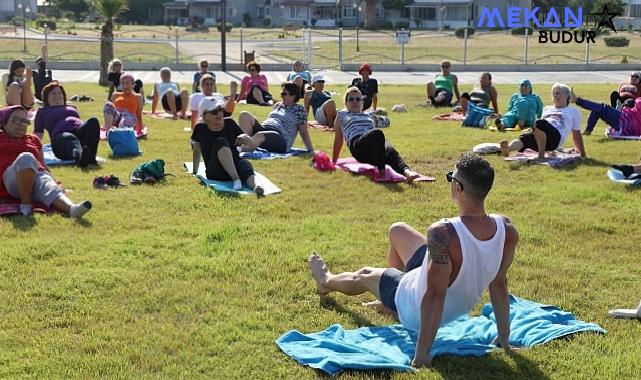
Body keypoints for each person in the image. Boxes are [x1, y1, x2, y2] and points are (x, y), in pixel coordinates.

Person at [309, 153, 518, 368]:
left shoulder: (443, 232)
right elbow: (499, 283)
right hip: (451, 300)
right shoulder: (507, 229)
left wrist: (422, 354)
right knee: (397, 230)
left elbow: (434, 295)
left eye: (450, 178)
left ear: (458, 188)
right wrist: (504, 337)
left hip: (415, 310)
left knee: (363, 275)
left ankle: (326, 281)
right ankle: (387, 302)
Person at [0, 105, 92, 218]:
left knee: (46, 180)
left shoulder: (33, 140)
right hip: (12, 181)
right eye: (16, 120)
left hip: (37, 178)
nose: (21, 124)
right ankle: (25, 205)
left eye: (24, 121)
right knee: (26, 158)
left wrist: (54, 182)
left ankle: (72, 209)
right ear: (3, 123)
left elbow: (42, 165)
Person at [332, 87, 419, 182]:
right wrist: (333, 162)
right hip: (358, 146)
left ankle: (407, 172)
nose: (355, 102)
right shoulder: (341, 115)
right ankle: (382, 173)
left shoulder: (368, 115)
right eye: (351, 99)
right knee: (377, 133)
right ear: (346, 103)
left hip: (373, 147)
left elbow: (387, 121)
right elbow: (338, 139)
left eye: (358, 99)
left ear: (362, 103)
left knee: (389, 149)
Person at [191, 97, 264, 195]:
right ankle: (236, 179)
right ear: (205, 116)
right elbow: (196, 150)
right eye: (214, 112)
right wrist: (194, 172)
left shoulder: (230, 123)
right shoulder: (200, 129)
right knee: (221, 141)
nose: (219, 114)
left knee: (244, 163)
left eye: (220, 110)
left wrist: (245, 139)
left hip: (235, 164)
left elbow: (248, 142)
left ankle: (256, 186)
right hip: (215, 172)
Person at [499, 83, 586, 160]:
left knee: (539, 123)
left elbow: (576, 134)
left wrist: (582, 153)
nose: (555, 96)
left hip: (555, 137)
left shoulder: (573, 111)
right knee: (524, 138)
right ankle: (508, 149)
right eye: (554, 94)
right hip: (541, 137)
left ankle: (541, 155)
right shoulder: (547, 108)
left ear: (567, 96)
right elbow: (539, 129)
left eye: (558, 93)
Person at [33, 81, 100, 167]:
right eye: (53, 93)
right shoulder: (43, 111)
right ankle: (80, 159)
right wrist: (32, 148)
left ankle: (90, 157)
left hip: (77, 130)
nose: (57, 96)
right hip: (60, 139)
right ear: (47, 97)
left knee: (93, 121)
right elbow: (38, 133)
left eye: (59, 93)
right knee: (70, 138)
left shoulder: (71, 107)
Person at [238, 82, 314, 153]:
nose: (282, 96)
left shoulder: (300, 110)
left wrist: (310, 150)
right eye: (282, 94)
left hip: (281, 137)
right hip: (265, 129)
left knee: (260, 135)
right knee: (244, 115)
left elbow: (303, 132)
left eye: (284, 94)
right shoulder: (278, 105)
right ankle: (245, 143)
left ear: (293, 96)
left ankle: (238, 150)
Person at [573, 88, 641, 137]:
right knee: (598, 109)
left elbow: (638, 102)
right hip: (627, 117)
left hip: (627, 122)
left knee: (601, 108)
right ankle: (588, 131)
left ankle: (577, 100)